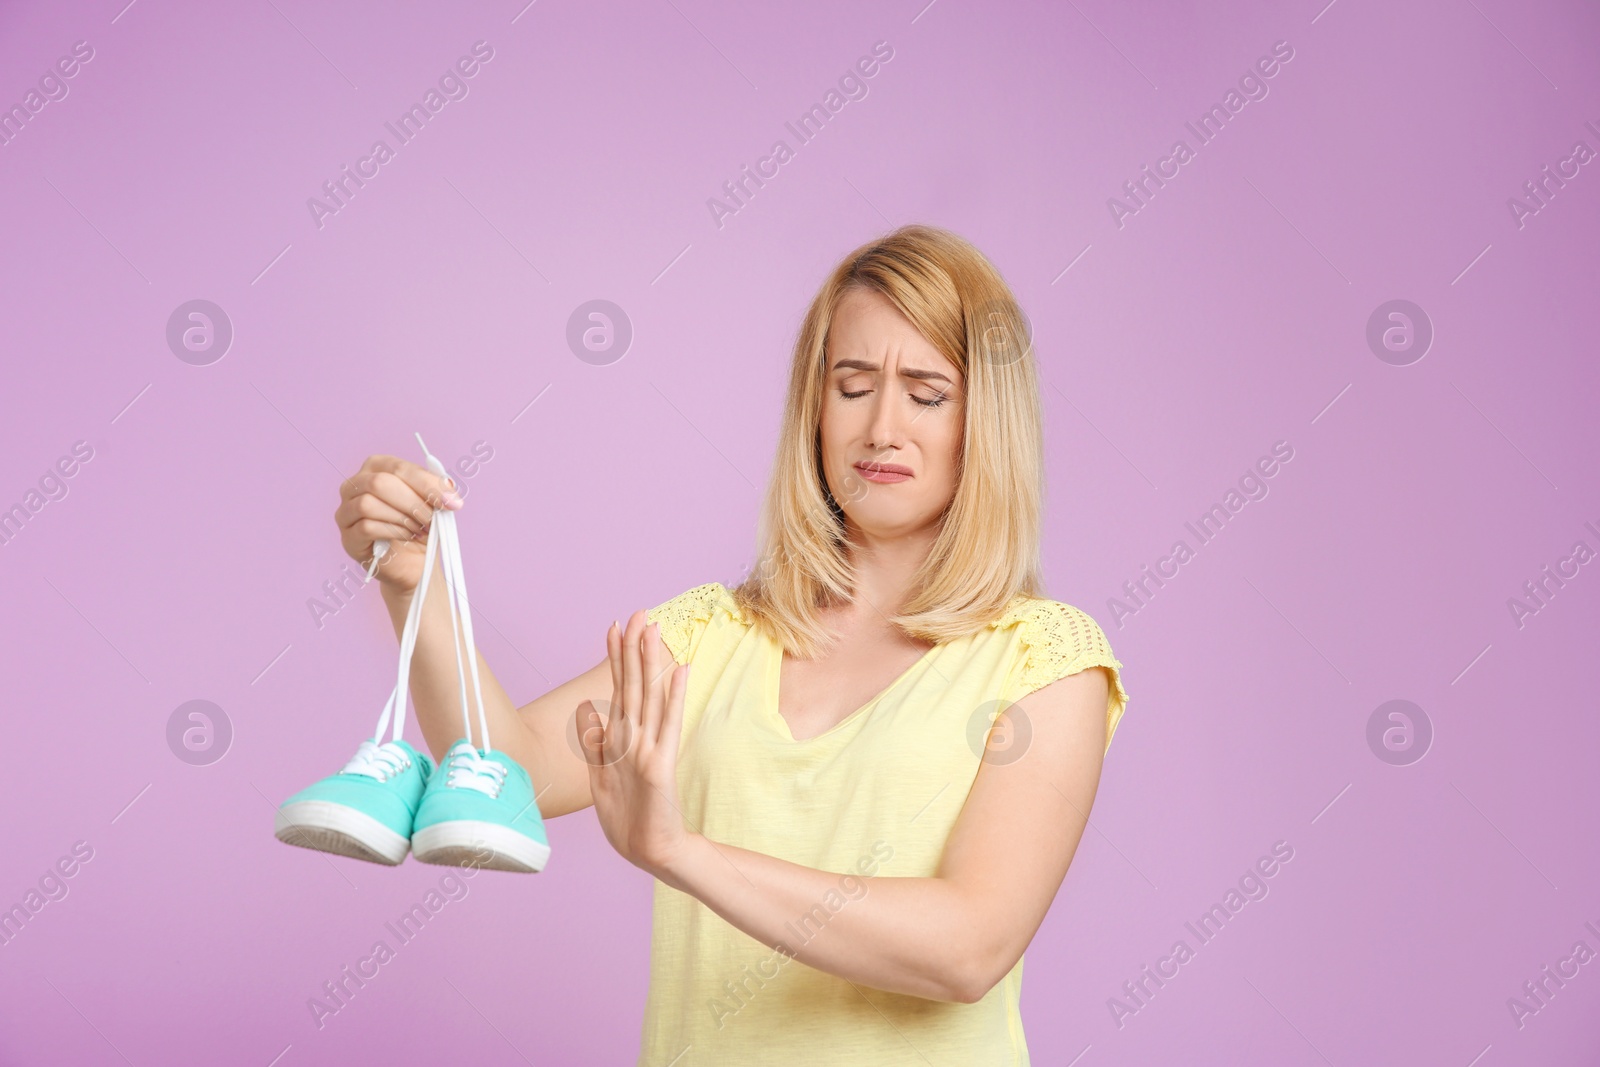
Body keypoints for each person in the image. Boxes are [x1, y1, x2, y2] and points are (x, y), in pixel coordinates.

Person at [333, 224, 1130, 1065]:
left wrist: (682, 853)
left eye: (927, 393)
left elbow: (967, 945)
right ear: (814, 407)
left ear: (984, 420)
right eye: (853, 385)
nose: (882, 428)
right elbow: (499, 767)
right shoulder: (714, 635)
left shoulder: (1046, 660)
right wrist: (416, 585)